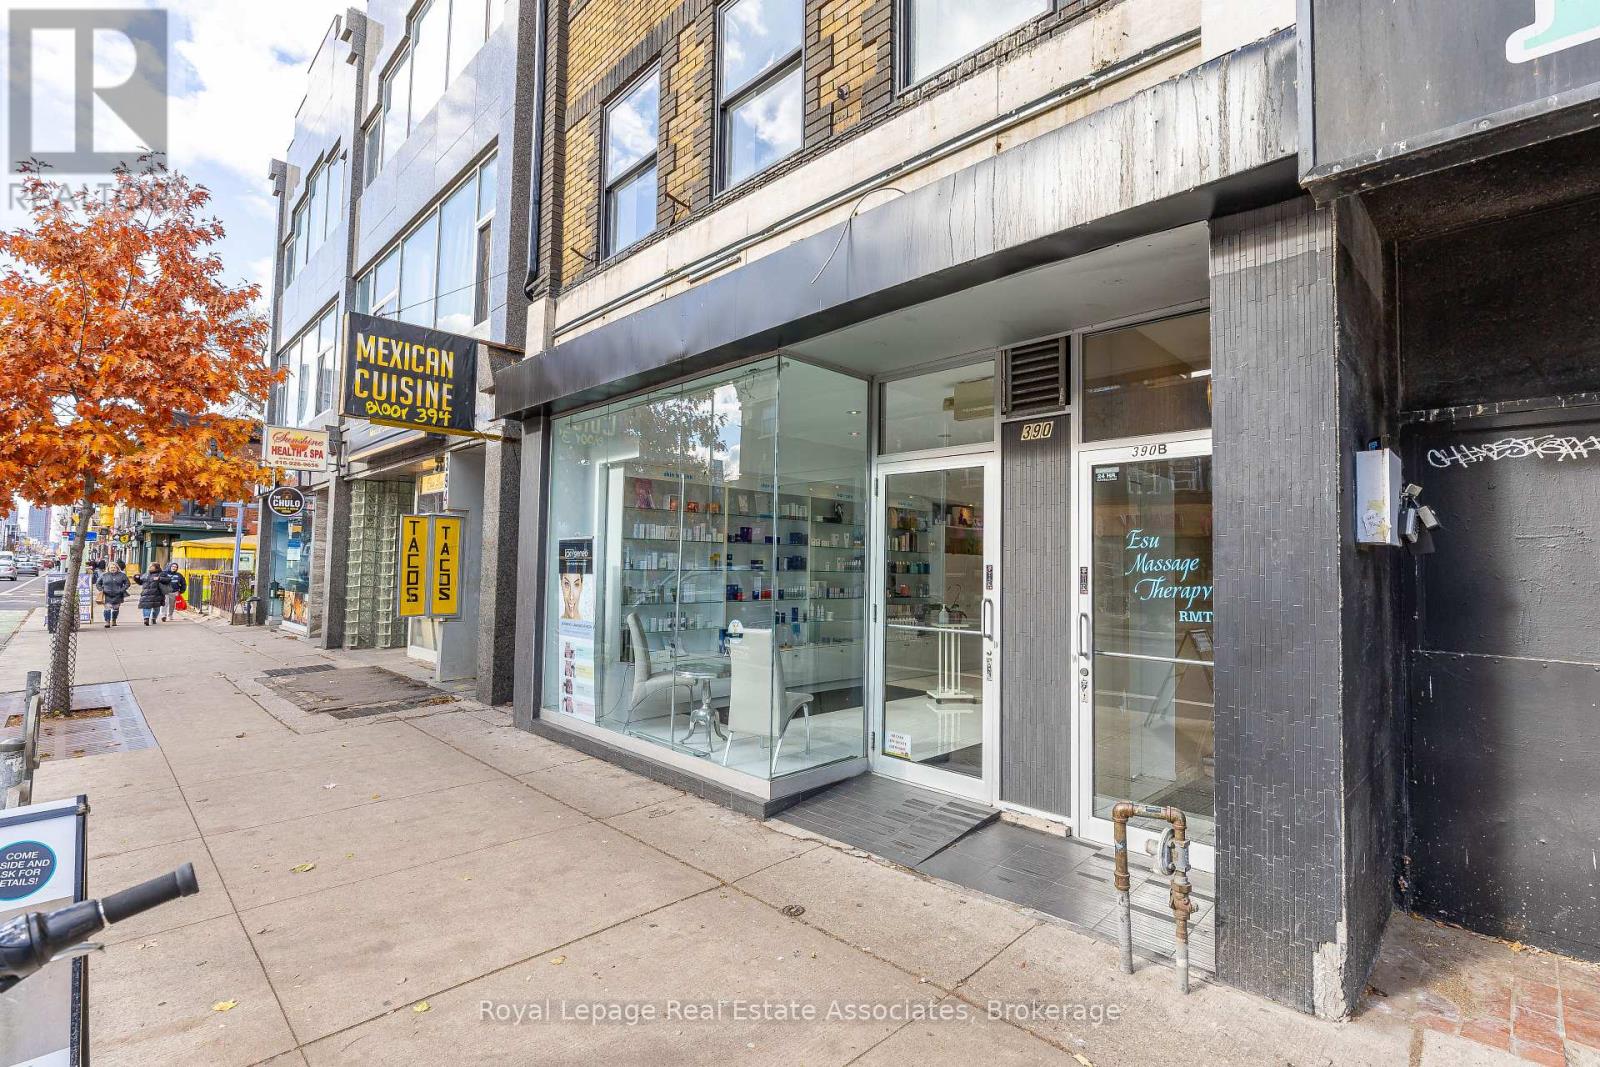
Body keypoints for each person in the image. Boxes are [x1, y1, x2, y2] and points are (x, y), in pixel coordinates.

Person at [97, 562, 130, 627]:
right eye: (111, 567)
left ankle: (114, 620)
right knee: (107, 609)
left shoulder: (122, 575)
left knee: (115, 609)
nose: (113, 569)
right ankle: (107, 622)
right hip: (107, 595)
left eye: (114, 567)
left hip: (118, 595)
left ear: (117, 568)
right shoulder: (104, 575)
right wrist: (101, 590)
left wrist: (121, 590)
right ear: (108, 568)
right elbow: (98, 583)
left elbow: (127, 583)